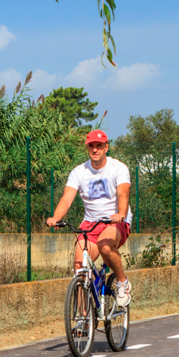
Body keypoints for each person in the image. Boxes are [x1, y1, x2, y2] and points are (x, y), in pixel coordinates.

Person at [46, 129, 133, 307]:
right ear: (87, 148)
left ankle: (122, 282)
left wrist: (120, 215)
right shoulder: (79, 172)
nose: (95, 150)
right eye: (91, 146)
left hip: (114, 221)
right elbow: (67, 198)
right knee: (80, 269)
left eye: (99, 146)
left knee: (105, 246)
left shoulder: (118, 168)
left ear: (106, 147)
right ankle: (83, 320)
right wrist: (56, 217)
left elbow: (123, 194)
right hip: (91, 223)